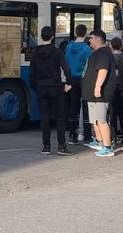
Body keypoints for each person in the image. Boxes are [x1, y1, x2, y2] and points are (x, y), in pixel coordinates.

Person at [28, 26, 71, 155]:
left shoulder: (35, 52)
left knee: (44, 117)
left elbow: (32, 72)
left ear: (41, 37)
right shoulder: (57, 52)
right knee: (60, 117)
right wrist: (68, 83)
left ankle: (46, 146)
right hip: (56, 87)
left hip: (41, 87)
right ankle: (61, 146)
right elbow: (66, 69)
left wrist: (35, 86)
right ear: (53, 37)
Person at [82, 30, 117, 158]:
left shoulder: (103, 53)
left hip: (100, 95)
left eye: (91, 38)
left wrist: (98, 87)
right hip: (92, 94)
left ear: (97, 38)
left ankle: (107, 147)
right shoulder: (97, 53)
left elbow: (103, 70)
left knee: (101, 120)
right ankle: (101, 143)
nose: (89, 40)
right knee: (96, 121)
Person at [64, 25, 92, 143]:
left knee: (72, 106)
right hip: (83, 79)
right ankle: (85, 134)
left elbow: (65, 62)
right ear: (85, 33)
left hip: (70, 79)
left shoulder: (69, 47)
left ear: (75, 33)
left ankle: (72, 134)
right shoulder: (87, 49)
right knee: (84, 106)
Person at [110, 37, 123, 145]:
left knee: (112, 114)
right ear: (121, 46)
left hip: (112, 88)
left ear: (111, 46)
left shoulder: (109, 57)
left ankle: (112, 137)